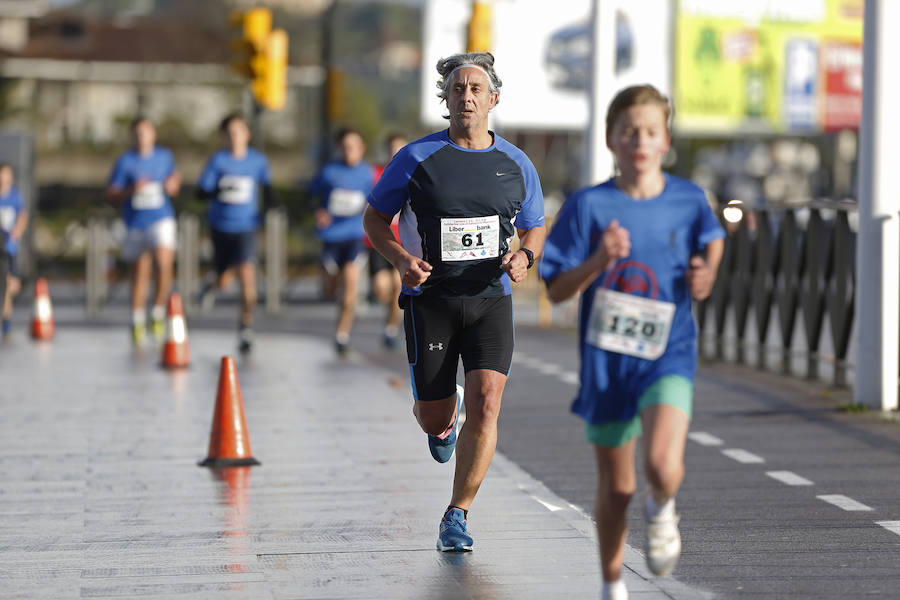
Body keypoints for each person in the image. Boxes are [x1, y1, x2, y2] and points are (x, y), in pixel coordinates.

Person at [540, 84, 724, 600]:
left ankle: (663, 506)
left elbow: (712, 241)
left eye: (649, 131)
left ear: (665, 140)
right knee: (618, 488)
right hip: (608, 359)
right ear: (610, 139)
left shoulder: (688, 199)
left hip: (670, 351)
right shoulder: (589, 206)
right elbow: (555, 290)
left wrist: (705, 275)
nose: (639, 140)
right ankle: (612, 583)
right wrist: (599, 259)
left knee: (662, 466)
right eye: (628, 131)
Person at [364, 52, 546, 552]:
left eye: (475, 89)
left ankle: (457, 515)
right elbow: (374, 220)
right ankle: (443, 420)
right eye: (457, 89)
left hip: (491, 299)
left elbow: (535, 223)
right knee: (432, 416)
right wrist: (401, 259)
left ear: (493, 99)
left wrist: (526, 256)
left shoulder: (516, 163)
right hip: (431, 302)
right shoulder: (416, 158)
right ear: (445, 99)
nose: (466, 97)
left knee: (488, 406)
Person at [196, 112, 274, 353]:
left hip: (246, 227)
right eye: (230, 133)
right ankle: (211, 284)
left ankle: (246, 327)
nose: (235, 137)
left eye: (239, 131)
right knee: (224, 280)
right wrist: (220, 189)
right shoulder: (218, 161)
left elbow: (268, 190)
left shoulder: (257, 161)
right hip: (221, 227)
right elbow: (201, 192)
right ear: (224, 136)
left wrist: (272, 208)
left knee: (247, 279)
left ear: (247, 134)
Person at [106, 116, 181, 345]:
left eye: (145, 132)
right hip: (135, 222)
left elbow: (175, 179)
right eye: (137, 133)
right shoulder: (125, 161)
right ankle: (137, 319)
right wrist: (131, 190)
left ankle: (157, 312)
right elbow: (112, 193)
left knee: (164, 261)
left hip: (161, 218)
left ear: (153, 134)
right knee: (140, 272)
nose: (142, 137)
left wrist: (172, 184)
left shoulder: (164, 156)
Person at [309, 127, 375, 357]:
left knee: (349, 291)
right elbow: (311, 195)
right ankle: (332, 291)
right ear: (340, 149)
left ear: (361, 148)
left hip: (354, 237)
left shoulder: (367, 174)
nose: (350, 151)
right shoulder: (328, 172)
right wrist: (319, 211)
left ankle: (341, 335)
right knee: (330, 289)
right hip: (331, 239)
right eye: (345, 147)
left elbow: (375, 201)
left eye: (354, 146)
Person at [366, 132, 407, 349]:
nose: (395, 153)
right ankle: (376, 299)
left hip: (402, 242)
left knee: (398, 287)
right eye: (392, 148)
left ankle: (390, 329)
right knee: (382, 288)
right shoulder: (375, 173)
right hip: (381, 239)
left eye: (400, 148)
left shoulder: (412, 173)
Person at [0, 164, 27, 338]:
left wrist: (16, 233)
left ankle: (6, 320)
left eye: (7, 175)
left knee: (10, 284)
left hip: (8, 247)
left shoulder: (15, 196)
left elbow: (23, 216)